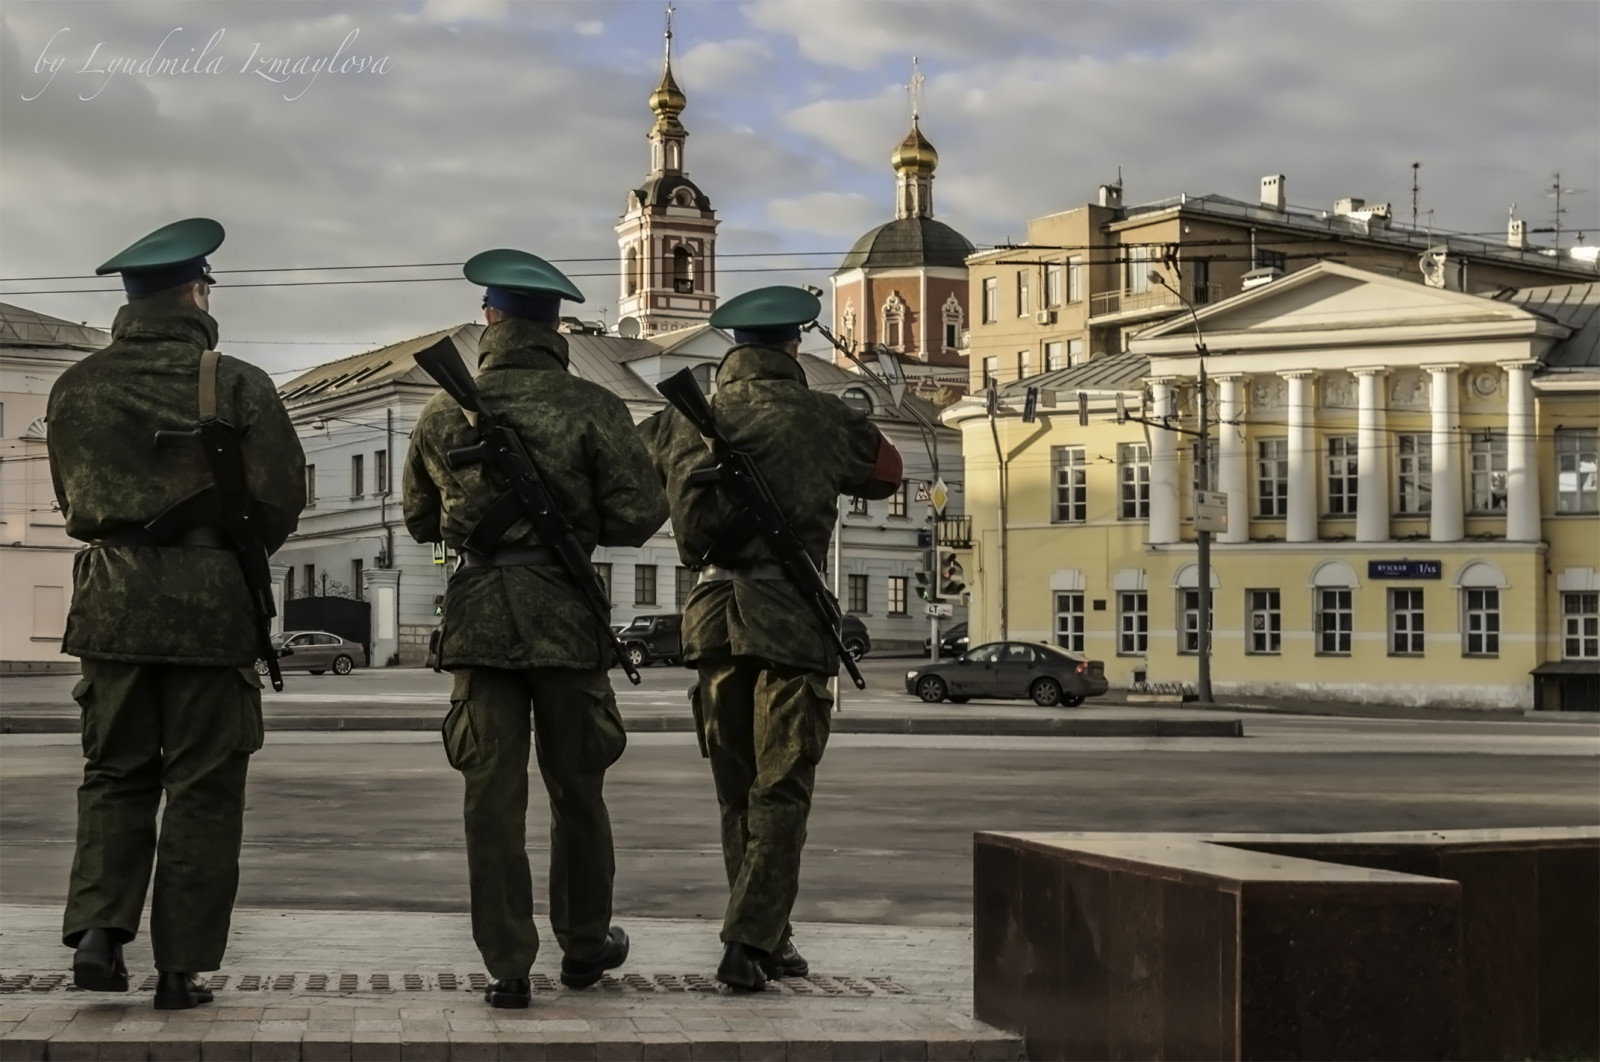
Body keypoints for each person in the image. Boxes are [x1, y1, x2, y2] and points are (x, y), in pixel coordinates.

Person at [48, 218, 306, 1010]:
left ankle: (99, 933)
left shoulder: (75, 387)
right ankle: (179, 968)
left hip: (111, 603)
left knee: (113, 773)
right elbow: (281, 500)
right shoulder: (237, 384)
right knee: (203, 787)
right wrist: (222, 549)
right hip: (211, 609)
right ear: (197, 293)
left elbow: (70, 501)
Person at [402, 249, 668, 1009]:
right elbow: (639, 515)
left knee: (490, 799)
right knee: (577, 791)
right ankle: (584, 946)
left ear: (489, 319)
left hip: (480, 618)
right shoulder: (594, 406)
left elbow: (419, 518)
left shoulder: (440, 412)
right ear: (557, 327)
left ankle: (507, 964)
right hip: (564, 616)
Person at [639, 286, 903, 991]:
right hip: (789, 617)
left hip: (711, 617)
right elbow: (889, 472)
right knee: (780, 789)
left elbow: (630, 487)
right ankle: (749, 941)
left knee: (736, 792)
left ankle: (769, 936)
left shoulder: (678, 418)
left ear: (733, 346)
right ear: (795, 343)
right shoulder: (823, 416)